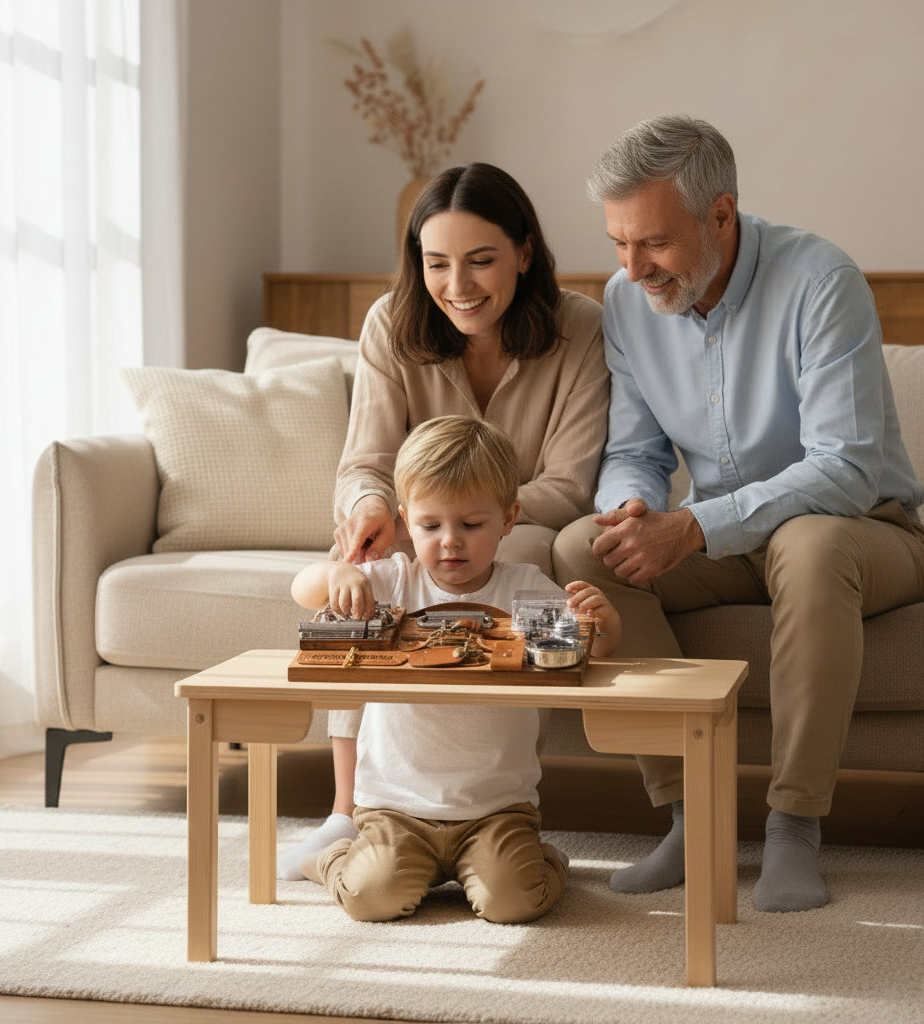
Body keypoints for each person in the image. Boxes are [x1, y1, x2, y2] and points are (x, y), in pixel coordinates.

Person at [552, 114, 924, 913]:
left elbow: (846, 468)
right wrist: (633, 507)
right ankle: (695, 817)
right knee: (586, 546)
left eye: (651, 242)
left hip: (868, 528)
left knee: (812, 544)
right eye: (618, 242)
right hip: (722, 535)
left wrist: (691, 528)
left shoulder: (821, 281)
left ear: (721, 214)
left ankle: (794, 827)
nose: (632, 266)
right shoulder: (625, 301)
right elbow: (635, 451)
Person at [278, 162, 608, 879]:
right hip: (413, 527)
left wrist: (470, 520)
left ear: (524, 252)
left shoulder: (579, 326)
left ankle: (496, 802)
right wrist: (376, 513)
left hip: (524, 525)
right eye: (437, 264)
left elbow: (569, 485)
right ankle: (348, 808)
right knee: (363, 578)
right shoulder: (391, 326)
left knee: (526, 563)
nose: (458, 286)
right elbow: (365, 462)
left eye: (482, 261)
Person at [291, 415, 621, 922]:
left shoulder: (525, 590)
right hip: (394, 810)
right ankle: (332, 858)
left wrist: (603, 626)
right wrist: (338, 571)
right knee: (369, 898)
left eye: (471, 525)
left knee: (511, 903)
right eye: (429, 526)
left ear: (508, 519)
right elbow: (303, 591)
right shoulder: (394, 582)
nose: (450, 541)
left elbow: (590, 653)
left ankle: (545, 859)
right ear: (404, 522)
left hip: (498, 811)